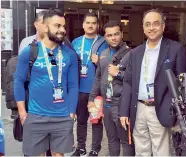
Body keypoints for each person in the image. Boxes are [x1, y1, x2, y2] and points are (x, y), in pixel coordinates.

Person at [119, 9, 186, 156]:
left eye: (156, 24)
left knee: (161, 151)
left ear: (163, 26)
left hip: (161, 108)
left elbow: (182, 84)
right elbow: (128, 83)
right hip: (139, 109)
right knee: (141, 150)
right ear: (143, 28)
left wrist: (177, 112)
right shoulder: (135, 52)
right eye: (147, 24)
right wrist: (124, 111)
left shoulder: (176, 49)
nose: (151, 28)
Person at [14, 9, 79, 156]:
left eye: (63, 26)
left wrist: (71, 113)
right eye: (57, 26)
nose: (62, 30)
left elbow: (73, 85)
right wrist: (23, 113)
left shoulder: (70, 55)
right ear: (44, 27)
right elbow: (18, 81)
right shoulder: (29, 52)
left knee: (58, 154)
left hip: (62, 116)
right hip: (36, 115)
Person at [88, 21, 135, 156]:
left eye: (116, 34)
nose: (113, 38)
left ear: (121, 34)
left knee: (126, 141)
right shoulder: (103, 54)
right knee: (111, 139)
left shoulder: (131, 54)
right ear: (105, 36)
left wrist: (118, 74)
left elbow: (136, 79)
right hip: (106, 104)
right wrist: (91, 99)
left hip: (122, 105)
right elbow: (98, 78)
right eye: (109, 35)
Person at [71, 13, 108, 156]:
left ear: (97, 25)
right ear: (83, 25)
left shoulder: (103, 43)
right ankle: (81, 147)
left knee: (96, 121)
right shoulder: (75, 42)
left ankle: (95, 149)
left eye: (93, 23)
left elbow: (110, 64)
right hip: (79, 89)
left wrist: (100, 62)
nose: (90, 25)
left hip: (96, 90)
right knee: (80, 121)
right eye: (88, 22)